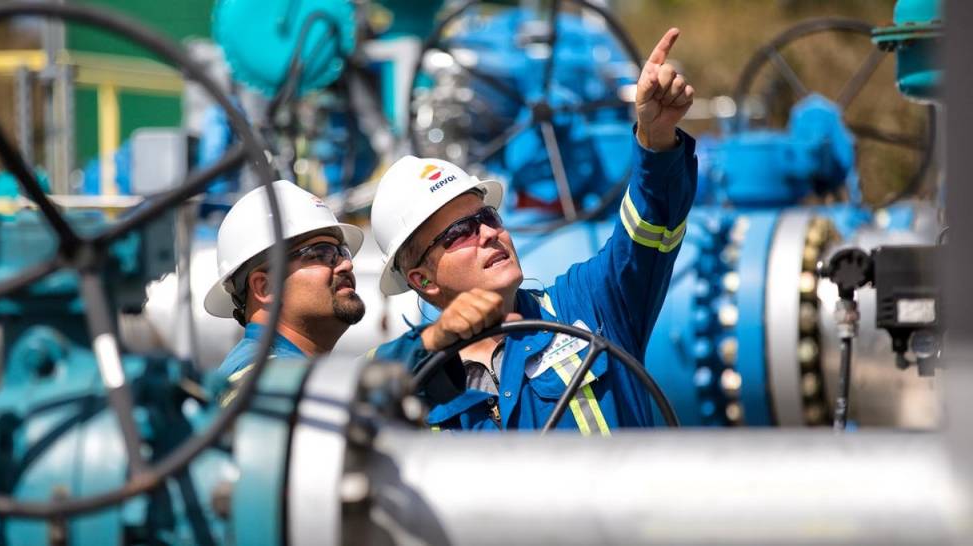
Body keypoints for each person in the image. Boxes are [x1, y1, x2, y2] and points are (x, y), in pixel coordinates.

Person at [369, 29, 697, 433]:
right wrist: (433, 342)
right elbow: (351, 401)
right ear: (422, 279)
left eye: (487, 217)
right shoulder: (407, 381)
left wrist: (656, 136)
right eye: (459, 233)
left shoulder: (587, 307)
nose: (488, 233)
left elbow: (652, 227)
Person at [204, 180, 365, 379]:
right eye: (321, 254)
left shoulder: (293, 375)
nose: (346, 265)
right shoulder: (258, 379)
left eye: (343, 253)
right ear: (265, 288)